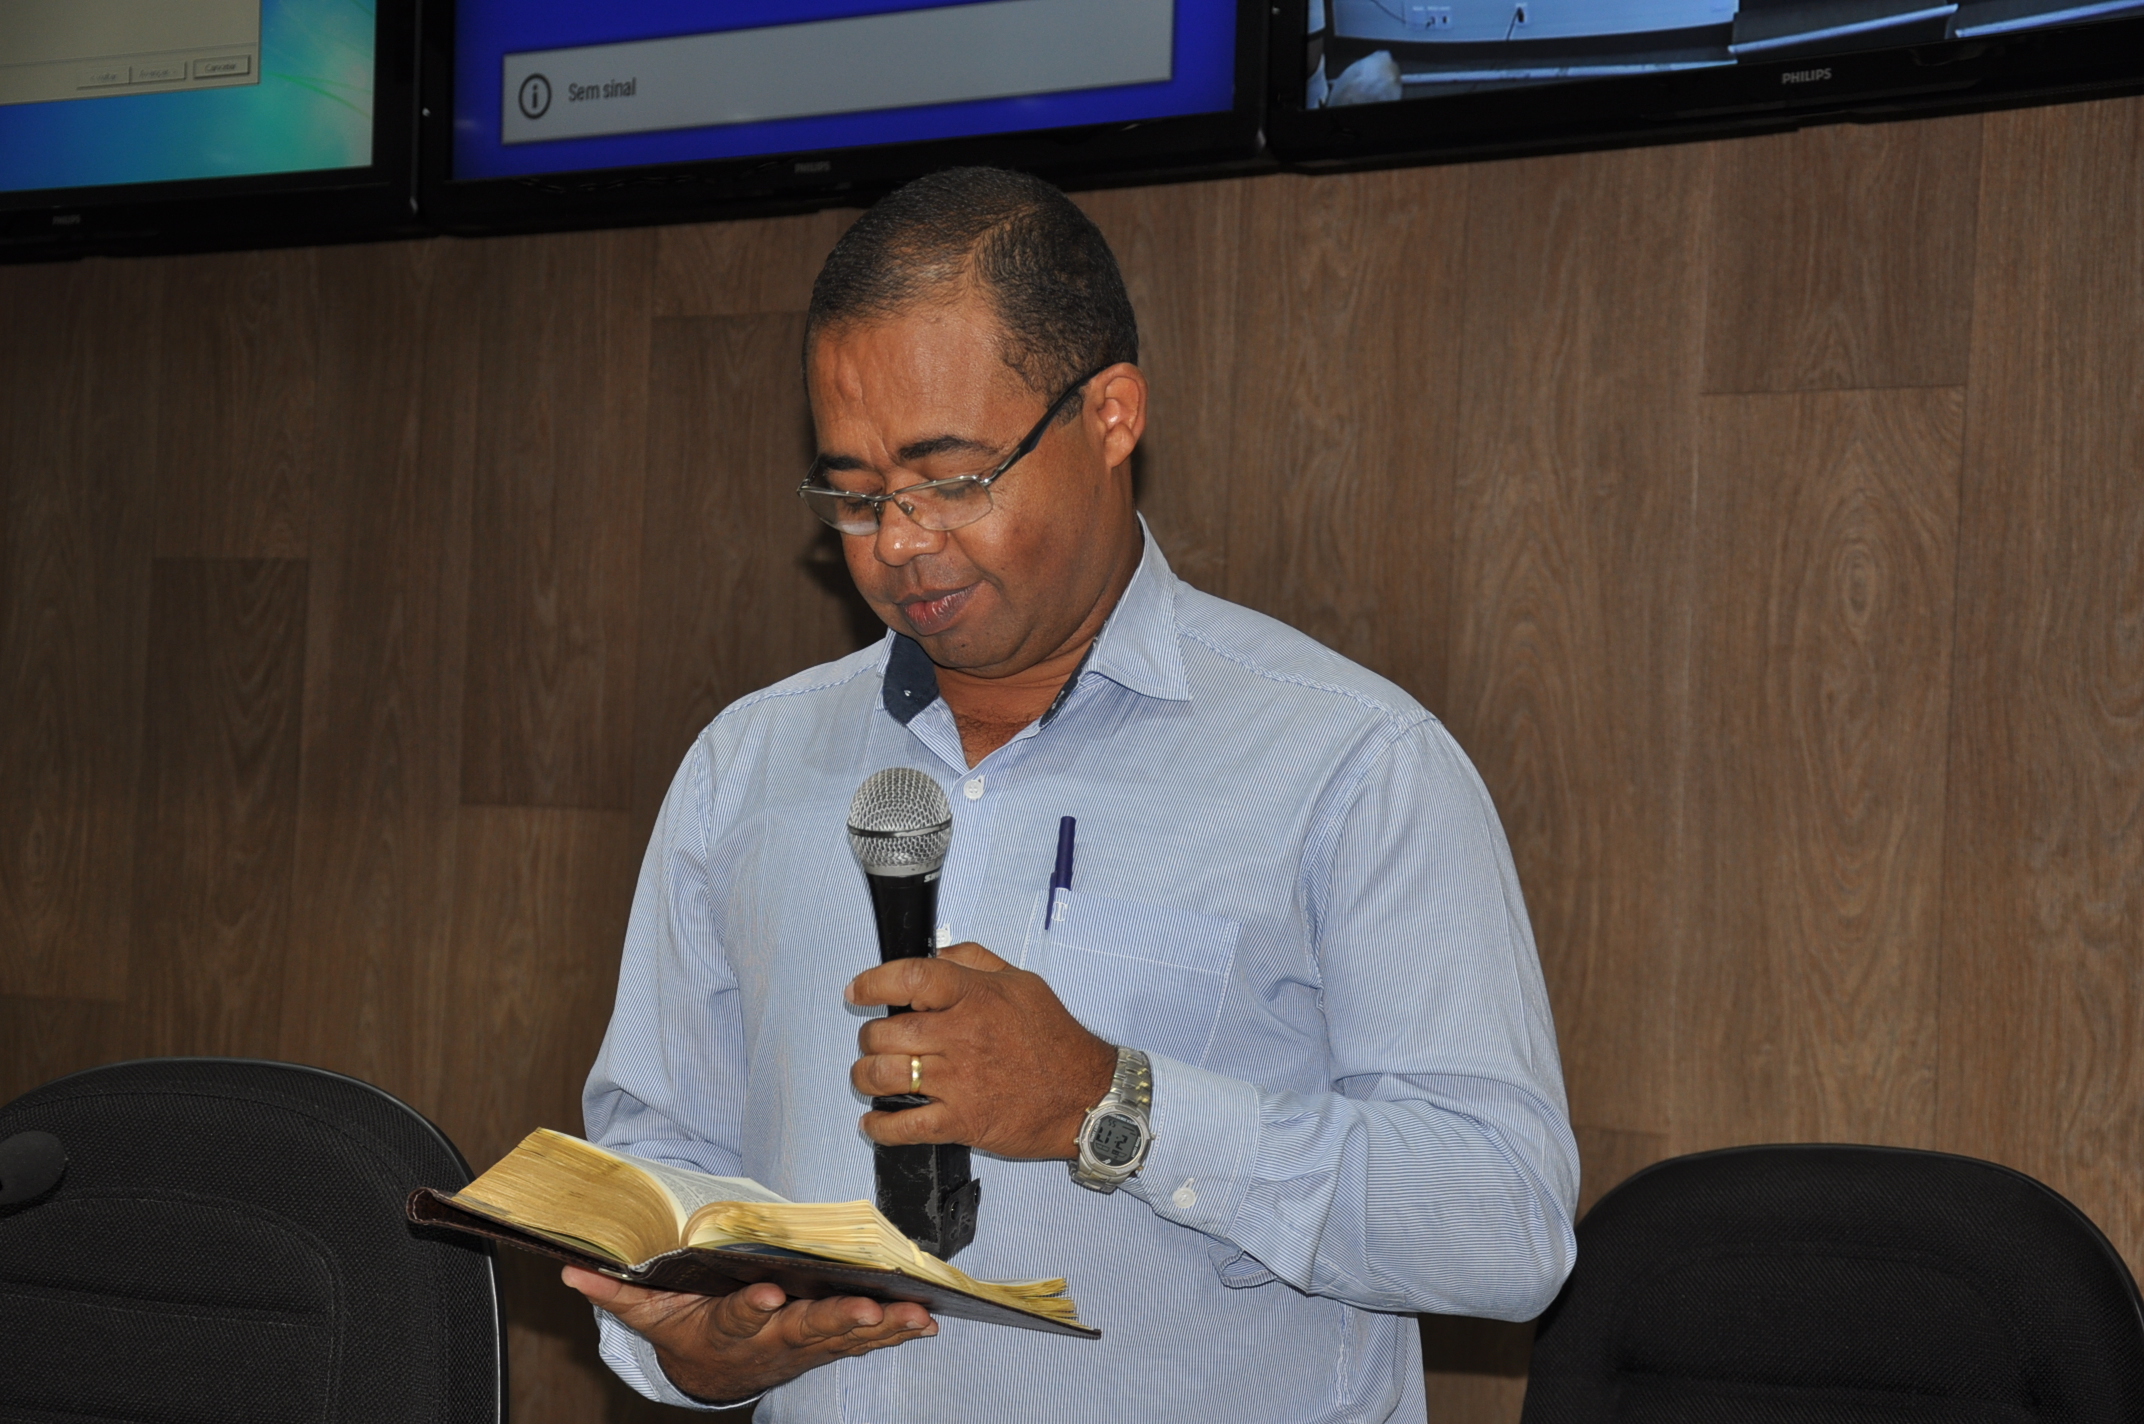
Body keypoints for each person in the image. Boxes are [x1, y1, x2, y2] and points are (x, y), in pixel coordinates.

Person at [566, 166, 1579, 1423]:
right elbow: (657, 1159)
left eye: (950, 477)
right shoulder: (746, 764)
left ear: (1109, 414)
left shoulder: (1350, 762)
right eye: (854, 493)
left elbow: (1503, 1224)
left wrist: (1113, 1102)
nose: (898, 541)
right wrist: (691, 1349)